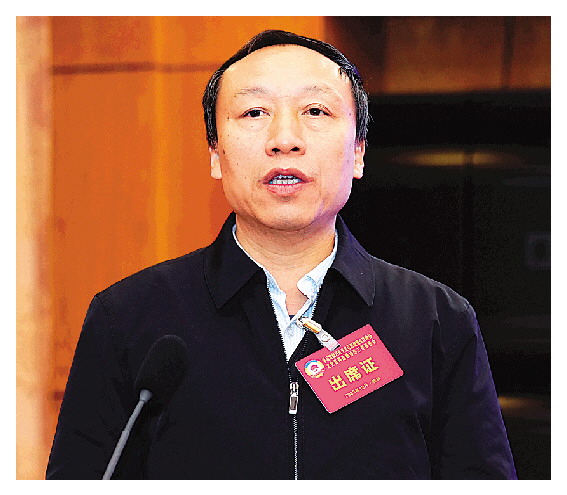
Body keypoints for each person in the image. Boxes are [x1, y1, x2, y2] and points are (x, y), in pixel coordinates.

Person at [46, 29, 517, 480]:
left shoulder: (436, 320)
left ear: (358, 152)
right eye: (254, 112)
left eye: (315, 110)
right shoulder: (128, 319)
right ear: (215, 153)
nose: (284, 138)